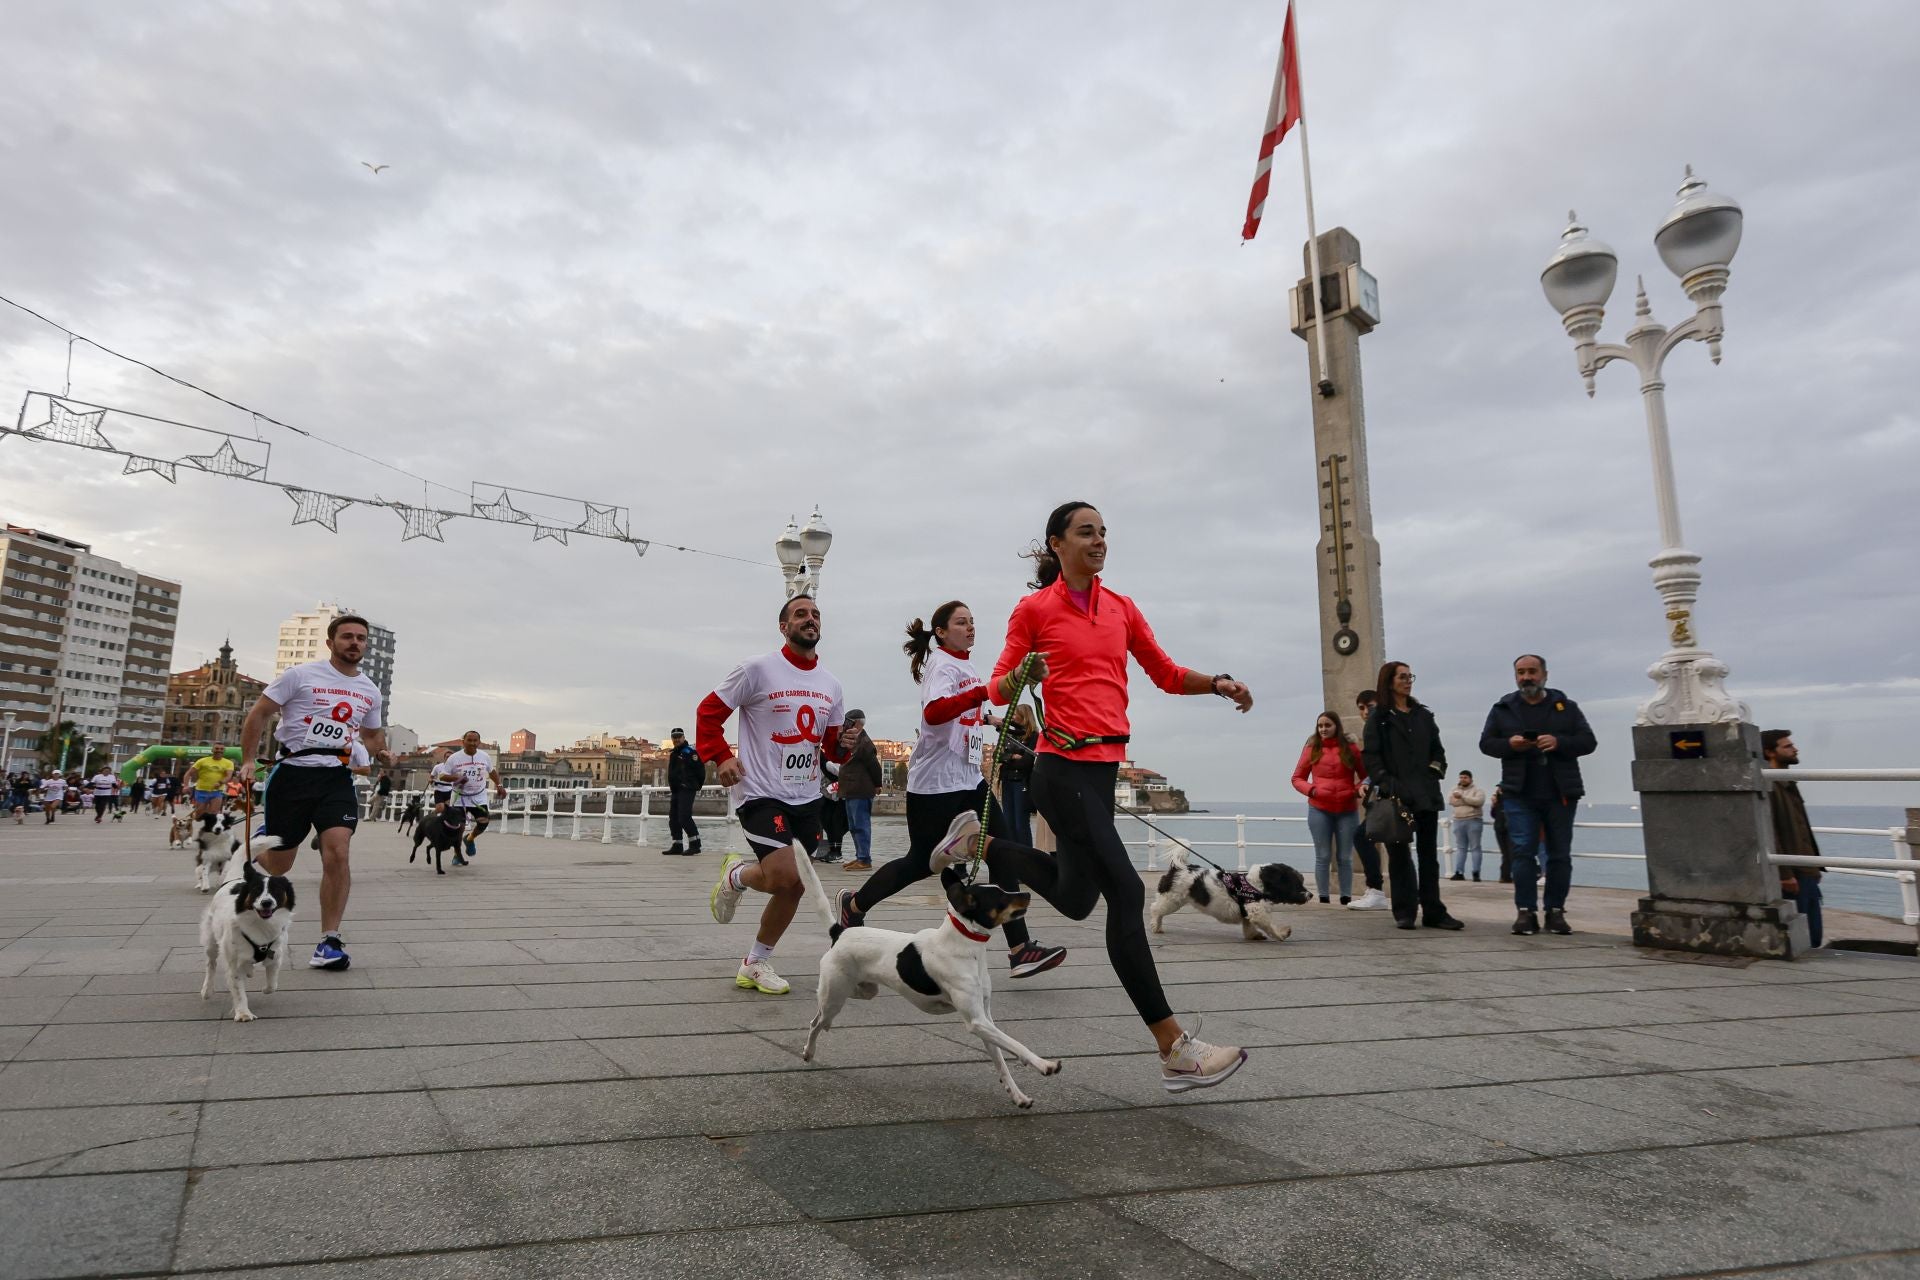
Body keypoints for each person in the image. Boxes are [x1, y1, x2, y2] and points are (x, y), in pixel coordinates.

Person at [980, 501, 1256, 1091]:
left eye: (1103, 532)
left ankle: (989, 849)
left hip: (1103, 771)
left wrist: (1218, 682)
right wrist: (1022, 674)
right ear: (1058, 544)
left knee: (1078, 898)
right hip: (1059, 768)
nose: (1100, 541)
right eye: (1087, 532)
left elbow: (1165, 672)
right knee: (1128, 890)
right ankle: (1173, 1046)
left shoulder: (1121, 608)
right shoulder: (1034, 609)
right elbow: (998, 690)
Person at [838, 602, 1068, 980]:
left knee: (1004, 852)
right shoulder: (941, 665)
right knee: (920, 863)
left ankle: (1020, 949)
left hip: (969, 779)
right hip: (935, 786)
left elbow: (967, 711)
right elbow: (935, 713)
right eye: (961, 622)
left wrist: (988, 717)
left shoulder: (965, 664)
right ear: (942, 632)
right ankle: (855, 904)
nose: (970, 627)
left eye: (973, 622)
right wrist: (980, 695)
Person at [699, 594, 848, 997]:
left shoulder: (830, 684)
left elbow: (832, 749)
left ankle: (754, 962)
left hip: (807, 797)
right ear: (784, 626)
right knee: (784, 874)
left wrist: (847, 744)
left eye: (816, 614)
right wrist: (720, 756)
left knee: (794, 886)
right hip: (760, 792)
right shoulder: (757, 670)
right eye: (800, 614)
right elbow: (708, 714)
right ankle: (737, 875)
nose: (810, 619)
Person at [239, 613, 391, 972]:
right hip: (292, 775)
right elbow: (259, 714)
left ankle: (329, 941)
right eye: (347, 637)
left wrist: (381, 751)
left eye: (361, 638)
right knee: (280, 863)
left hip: (335, 777)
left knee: (337, 850)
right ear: (331, 642)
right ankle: (258, 846)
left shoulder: (369, 689)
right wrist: (248, 761)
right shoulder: (300, 676)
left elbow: (371, 736)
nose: (355, 643)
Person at [1478, 654, 1597, 937]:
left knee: (1559, 855)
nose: (1526, 677)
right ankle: (1525, 912)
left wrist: (1559, 742)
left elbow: (1588, 742)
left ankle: (1555, 911)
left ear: (1544, 674)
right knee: (1522, 853)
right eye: (1520, 672)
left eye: (1532, 671)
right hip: (1519, 793)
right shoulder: (1503, 708)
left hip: (1560, 792)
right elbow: (1486, 744)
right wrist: (1510, 744)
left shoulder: (1566, 708)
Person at [1362, 661, 1463, 931]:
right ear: (1389, 681)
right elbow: (1371, 757)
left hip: (1426, 795)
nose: (1408, 681)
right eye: (1402, 677)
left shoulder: (1423, 716)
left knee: (1429, 855)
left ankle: (1434, 911)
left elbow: (1438, 752)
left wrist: (1433, 773)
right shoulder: (1379, 718)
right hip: (1396, 797)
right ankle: (1405, 912)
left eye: (1410, 676)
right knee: (1399, 856)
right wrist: (1389, 783)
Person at [1292, 711, 1363, 904]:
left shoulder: (1350, 748)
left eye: (1327, 725)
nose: (1323, 729)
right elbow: (1297, 778)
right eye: (1320, 725)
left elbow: (1365, 776)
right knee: (1322, 856)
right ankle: (1323, 897)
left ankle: (1346, 897)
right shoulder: (1312, 748)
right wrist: (1312, 790)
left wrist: (1356, 791)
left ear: (1336, 726)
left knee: (1345, 857)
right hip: (1319, 809)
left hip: (1347, 810)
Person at [1762, 729, 1823, 948]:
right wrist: (1785, 874)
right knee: (1808, 937)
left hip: (1805, 869)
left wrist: (1815, 867)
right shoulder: (1770, 785)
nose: (1795, 749)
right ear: (1769, 752)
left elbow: (1801, 829)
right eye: (1787, 746)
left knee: (1813, 936)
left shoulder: (1787, 782)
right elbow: (1769, 831)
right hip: (1793, 873)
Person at [1346, 690, 1390, 910]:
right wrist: (1365, 781)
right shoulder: (1375, 729)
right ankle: (1379, 891)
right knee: (1371, 838)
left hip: (1393, 794)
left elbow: (1388, 761)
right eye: (1361, 708)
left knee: (1365, 837)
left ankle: (1378, 892)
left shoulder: (1385, 727)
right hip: (1382, 795)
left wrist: (1369, 780)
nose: (1365, 712)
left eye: (1369, 707)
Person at [441, 730, 502, 866]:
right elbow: (442, 776)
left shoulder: (484, 756)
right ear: (463, 742)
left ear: (479, 742)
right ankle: (457, 854)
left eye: (475, 741)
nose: (473, 743)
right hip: (460, 797)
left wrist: (499, 785)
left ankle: (470, 838)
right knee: (459, 827)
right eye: (469, 740)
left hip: (478, 796)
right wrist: (457, 777)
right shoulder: (454, 758)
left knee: (484, 821)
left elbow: (491, 772)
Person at [835, 710, 881, 871]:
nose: (844, 724)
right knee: (854, 826)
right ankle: (860, 856)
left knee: (861, 825)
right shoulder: (851, 740)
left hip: (861, 790)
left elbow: (874, 765)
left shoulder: (864, 742)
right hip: (851, 790)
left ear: (856, 723)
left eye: (847, 721)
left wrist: (877, 784)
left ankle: (864, 859)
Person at [989, 703, 1039, 847]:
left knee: (1020, 823)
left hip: (1022, 783)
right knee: (1008, 823)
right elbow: (996, 755)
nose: (1012, 717)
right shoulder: (1008, 734)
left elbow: (1026, 762)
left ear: (1024, 716)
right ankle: (1013, 856)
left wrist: (1007, 758)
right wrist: (1012, 757)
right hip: (1007, 781)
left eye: (1015, 714)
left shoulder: (1033, 736)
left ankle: (1026, 857)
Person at [664, 727, 704, 855]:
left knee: (684, 817)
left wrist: (694, 785)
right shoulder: (673, 753)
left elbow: (700, 770)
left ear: (683, 737)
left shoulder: (690, 752)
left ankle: (695, 844)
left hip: (687, 789)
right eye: (674, 737)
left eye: (678, 737)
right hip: (676, 790)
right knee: (673, 818)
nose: (676, 739)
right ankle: (677, 844)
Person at [1447, 770, 1487, 881]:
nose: (1462, 779)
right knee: (1461, 848)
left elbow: (1479, 801)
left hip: (1473, 820)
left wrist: (1462, 798)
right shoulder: (1454, 790)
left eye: (1465, 777)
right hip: (1458, 820)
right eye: (1461, 777)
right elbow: (1452, 801)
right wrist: (1467, 801)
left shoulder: (1478, 790)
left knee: (1475, 847)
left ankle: (1476, 873)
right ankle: (1459, 872)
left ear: (1470, 779)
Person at [188, 743, 235, 820]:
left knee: (214, 813)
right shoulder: (202, 761)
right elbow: (189, 773)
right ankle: (198, 815)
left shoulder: (229, 763)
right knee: (199, 816)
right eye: (217, 748)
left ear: (224, 751)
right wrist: (187, 785)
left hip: (217, 791)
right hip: (201, 790)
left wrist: (220, 782)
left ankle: (209, 828)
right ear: (212, 750)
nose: (219, 750)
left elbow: (228, 776)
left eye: (221, 749)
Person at [1491, 784, 1514, 882]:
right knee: (1506, 853)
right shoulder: (1498, 801)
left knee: (1509, 852)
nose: (1499, 790)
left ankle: (1506, 875)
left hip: (1507, 827)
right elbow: (1493, 814)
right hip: (1500, 827)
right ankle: (1505, 875)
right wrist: (1493, 805)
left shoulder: (1508, 800)